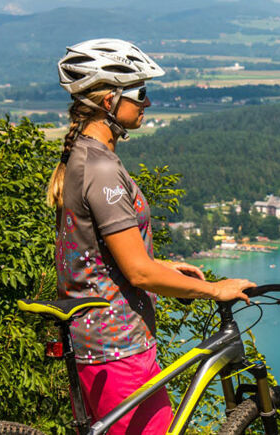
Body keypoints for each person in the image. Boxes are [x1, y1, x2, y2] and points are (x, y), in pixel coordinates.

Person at [46, 38, 255, 434]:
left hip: (103, 342)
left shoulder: (86, 157)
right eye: (141, 93)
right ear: (109, 100)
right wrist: (215, 289)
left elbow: (102, 255)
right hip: (118, 347)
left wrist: (161, 264)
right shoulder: (102, 169)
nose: (148, 103)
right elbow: (138, 275)